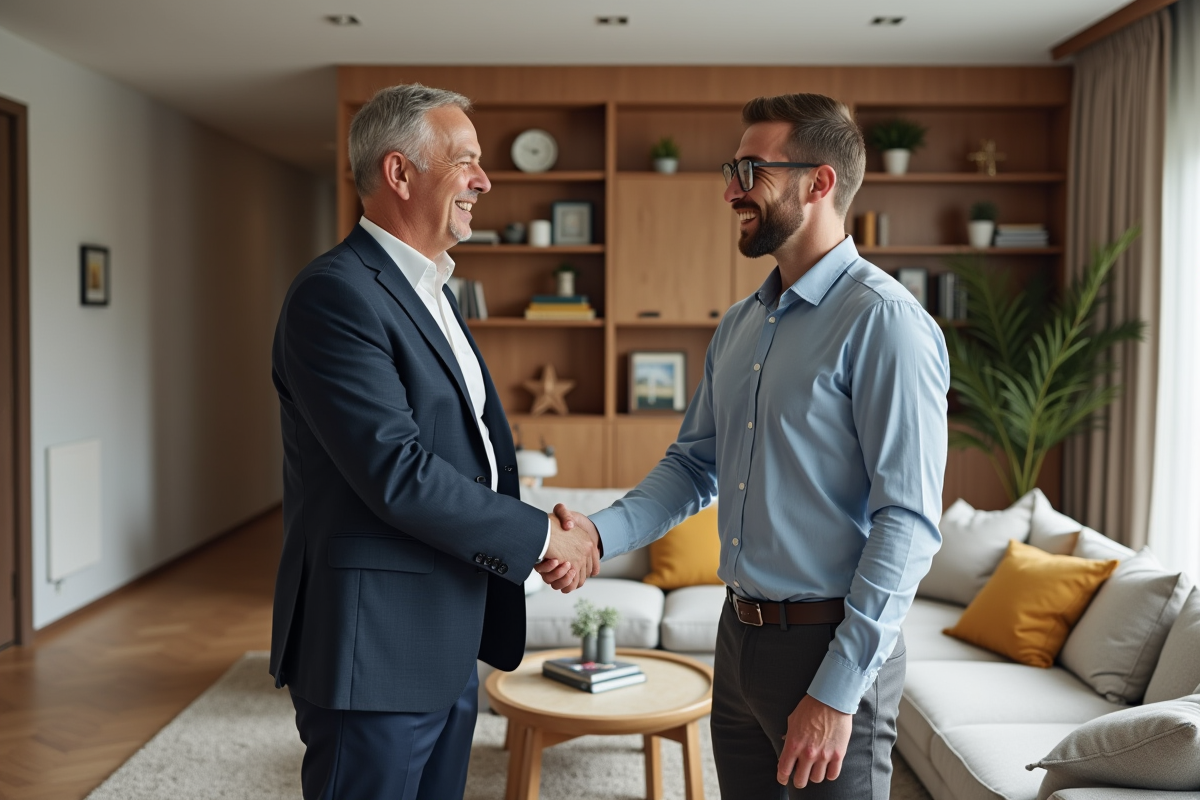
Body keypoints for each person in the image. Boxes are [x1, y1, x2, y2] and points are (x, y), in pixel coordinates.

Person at [555, 93, 949, 799]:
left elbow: (908, 522)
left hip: (829, 646)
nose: (731, 191)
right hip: (737, 638)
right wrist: (597, 534)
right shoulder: (740, 325)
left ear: (819, 182)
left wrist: (836, 690)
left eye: (751, 170)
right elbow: (692, 466)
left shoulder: (884, 321)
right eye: (730, 170)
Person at [269, 83, 598, 800]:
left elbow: (466, 452)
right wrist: (544, 537)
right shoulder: (335, 295)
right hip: (374, 650)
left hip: (447, 640)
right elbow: (398, 471)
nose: (484, 180)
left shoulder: (434, 292)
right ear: (399, 172)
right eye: (465, 161)